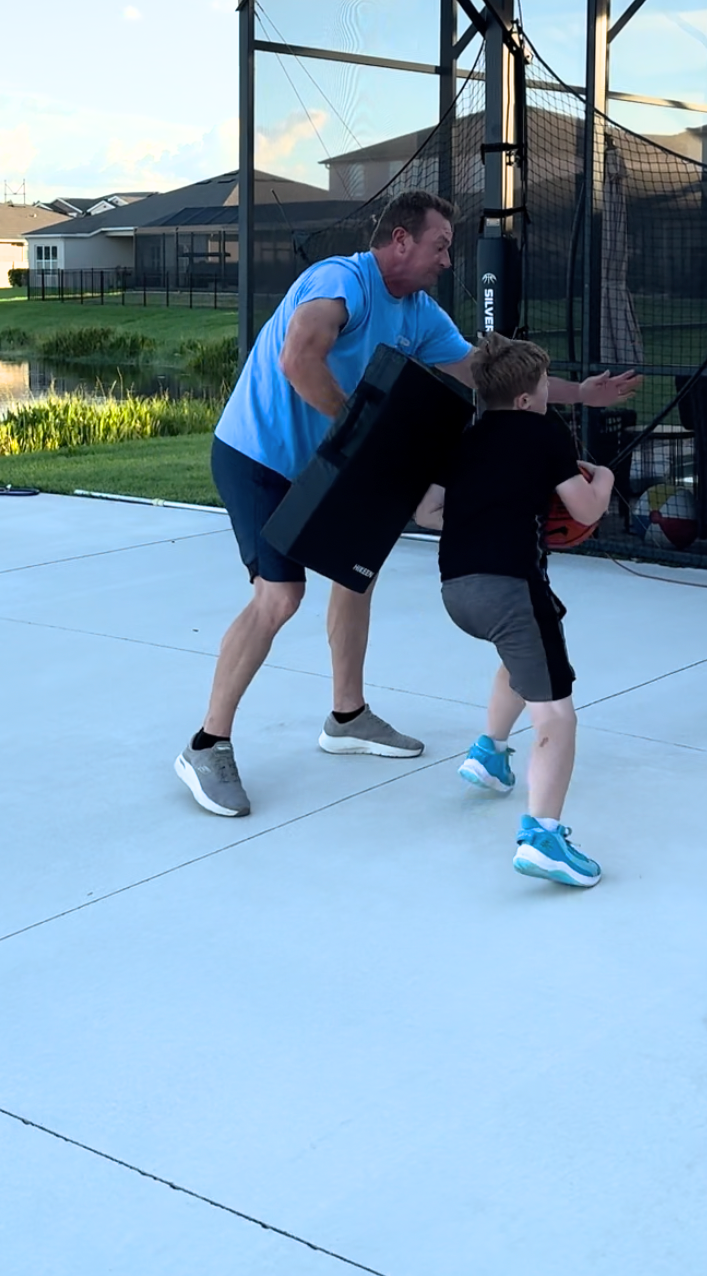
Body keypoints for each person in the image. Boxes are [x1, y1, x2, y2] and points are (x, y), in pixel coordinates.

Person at [175, 193, 637, 819]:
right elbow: (298, 358)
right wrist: (360, 433)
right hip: (258, 455)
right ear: (400, 240)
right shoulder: (342, 281)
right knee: (280, 597)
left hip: (325, 463)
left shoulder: (417, 312)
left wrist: (579, 390)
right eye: (440, 245)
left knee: (355, 576)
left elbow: (487, 374)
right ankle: (208, 743)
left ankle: (347, 717)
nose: (448, 260)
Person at [415, 332, 614, 888]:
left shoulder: (466, 438)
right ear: (526, 399)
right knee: (556, 714)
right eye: (547, 384)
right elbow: (585, 508)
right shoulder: (543, 431)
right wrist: (605, 479)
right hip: (510, 586)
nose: (551, 393)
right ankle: (543, 836)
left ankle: (489, 753)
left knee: (522, 649)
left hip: (457, 589)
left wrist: (485, 505)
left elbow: (428, 510)